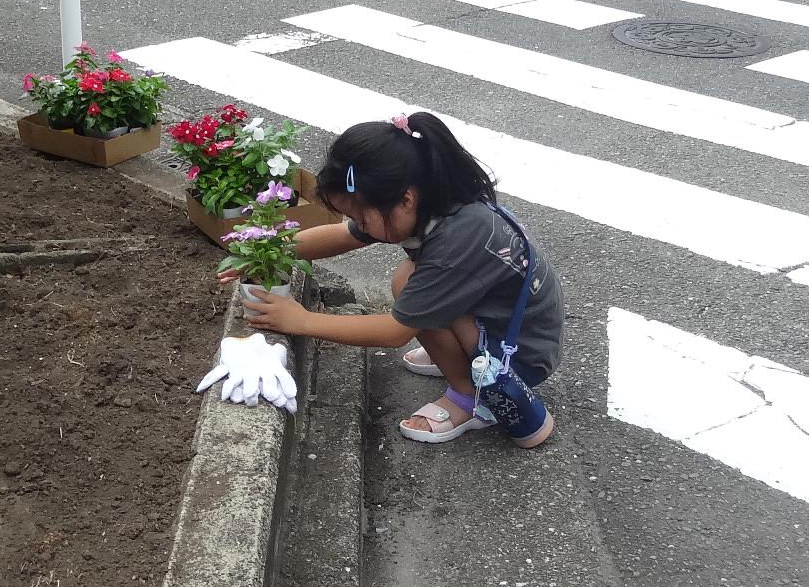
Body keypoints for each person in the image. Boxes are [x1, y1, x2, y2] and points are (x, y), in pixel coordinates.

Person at [230, 111, 563, 447]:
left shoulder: (457, 239)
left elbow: (394, 333)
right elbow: (343, 235)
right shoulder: (430, 195)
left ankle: (469, 395)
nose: (358, 224)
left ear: (406, 199)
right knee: (410, 280)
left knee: (409, 285)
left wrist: (301, 320)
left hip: (519, 355)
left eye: (361, 216)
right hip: (502, 320)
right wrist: (266, 249)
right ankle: (455, 351)